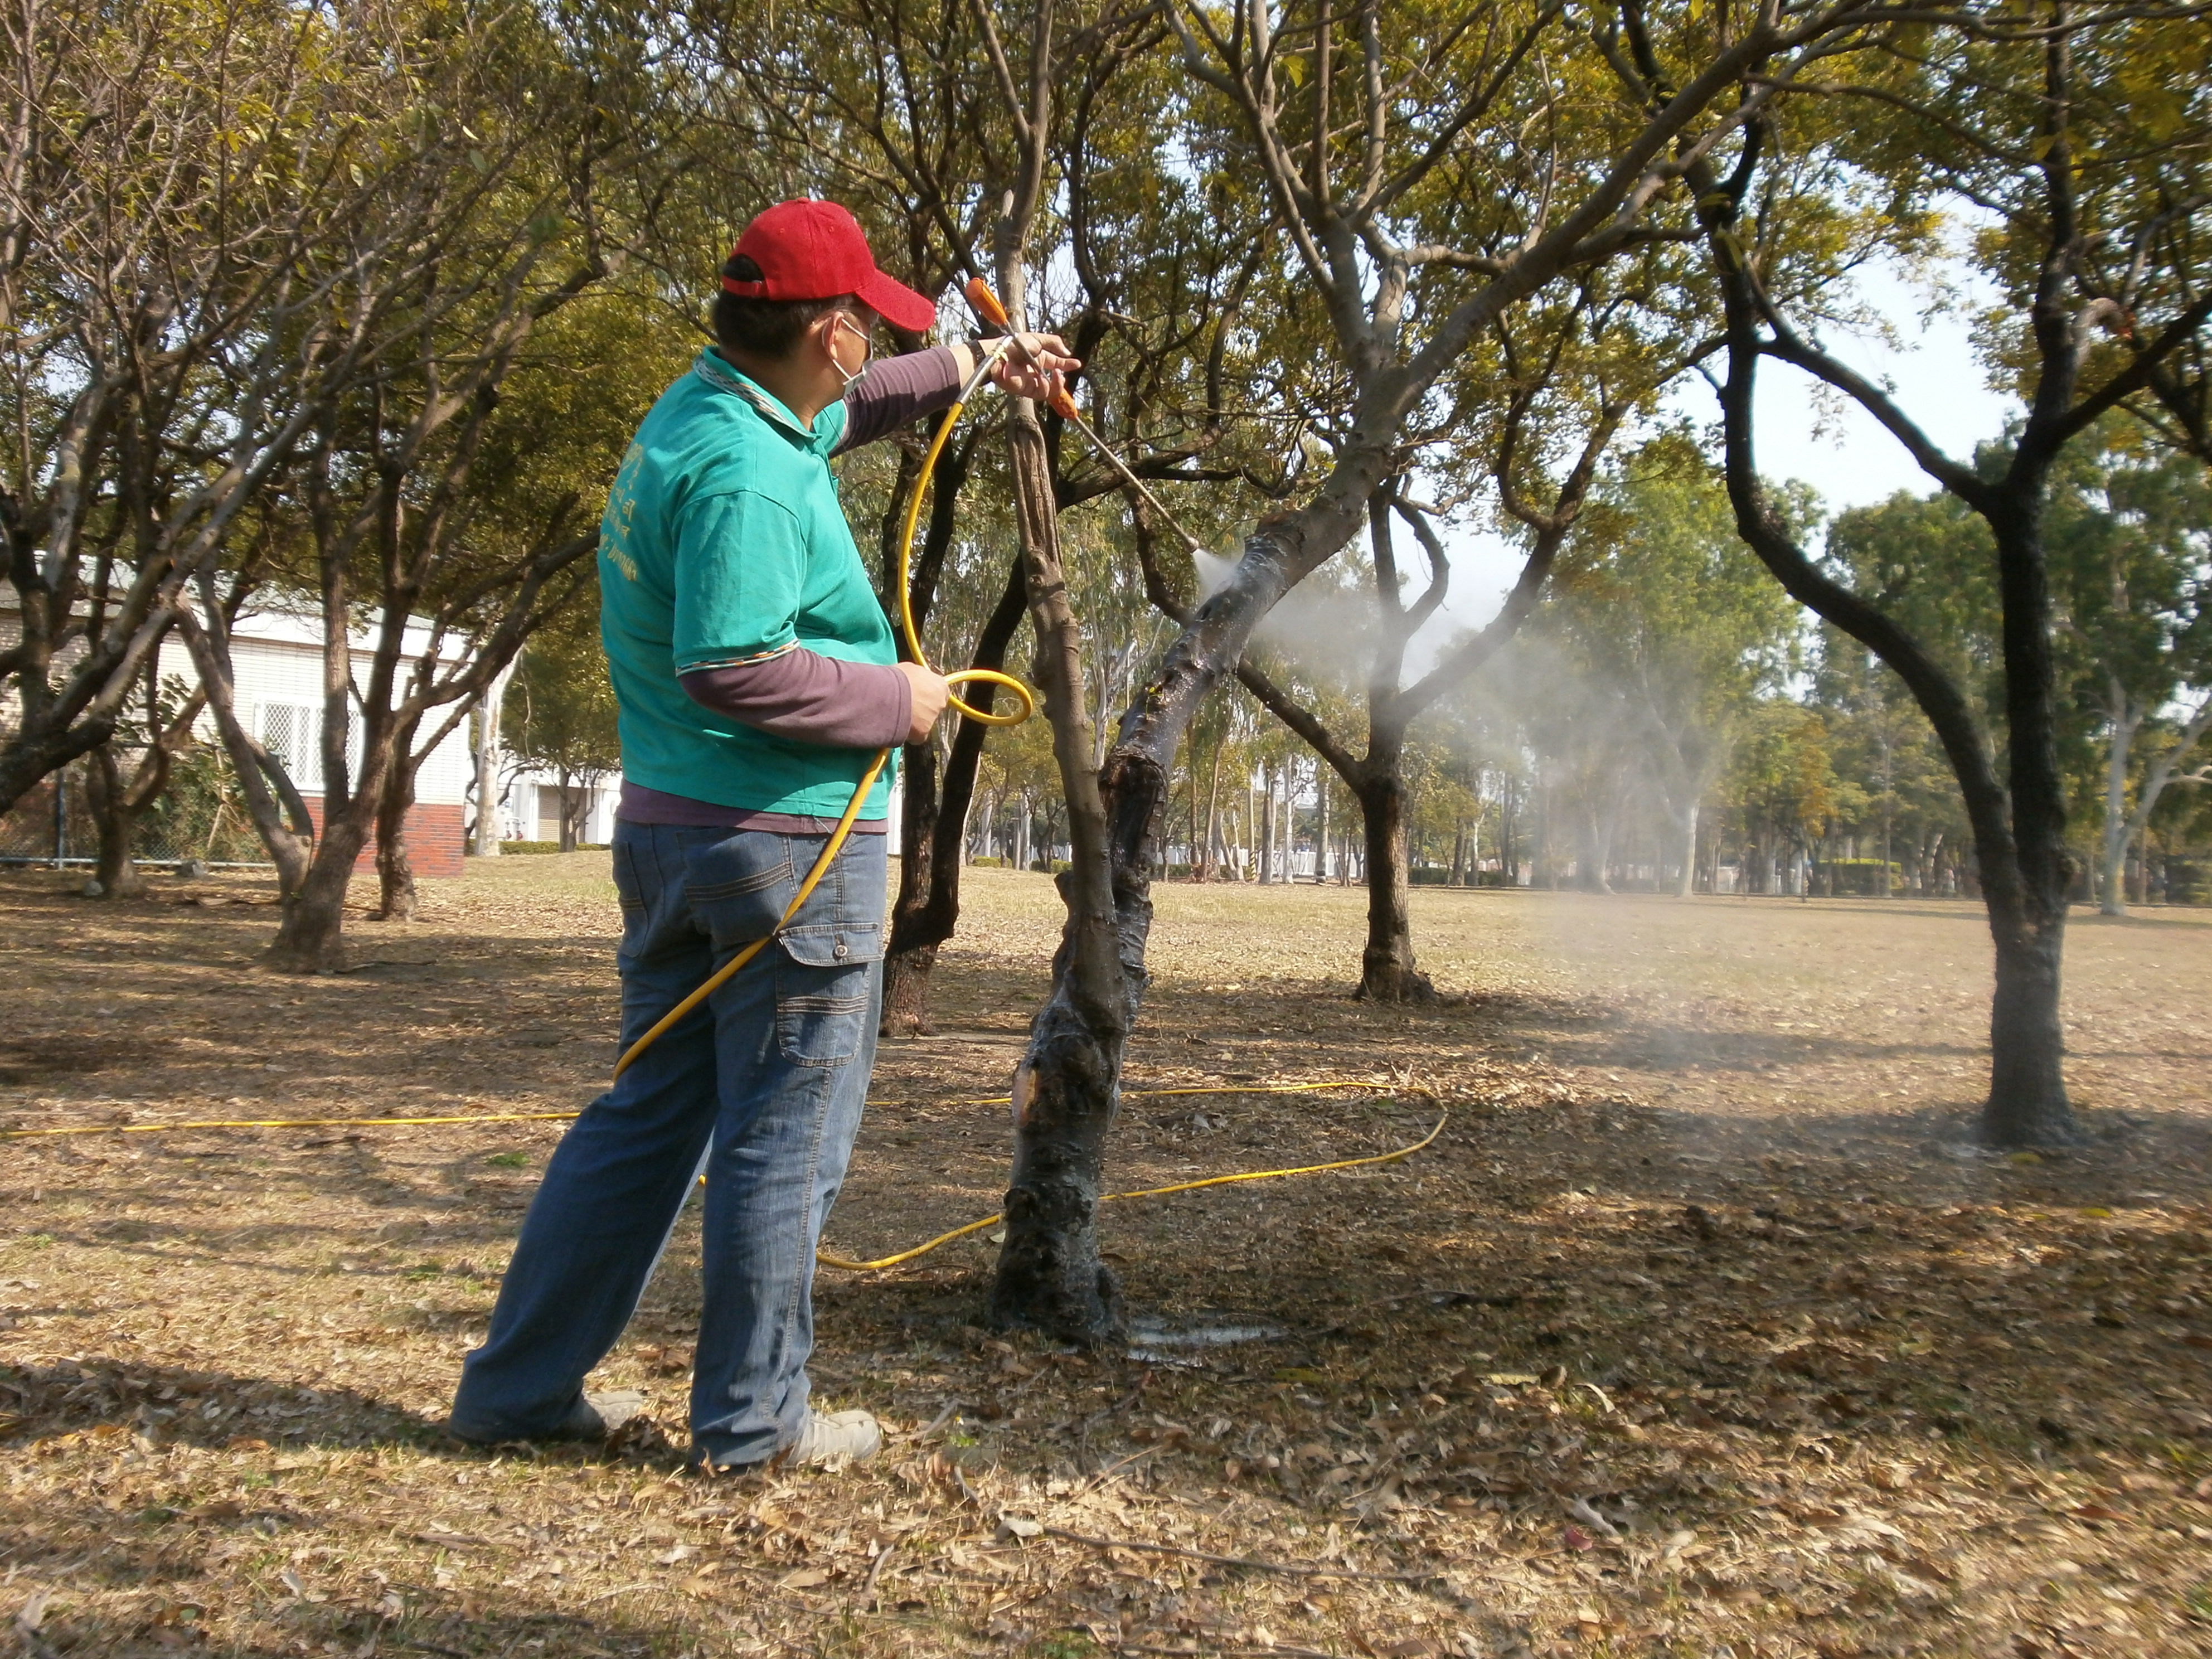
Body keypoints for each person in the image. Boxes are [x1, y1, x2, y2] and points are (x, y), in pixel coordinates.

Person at [448, 199, 1077, 1473]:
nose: (875, 347)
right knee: (788, 1133)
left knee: (647, 1120)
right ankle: (754, 1425)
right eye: (869, 329)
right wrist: (893, 699)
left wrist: (975, 361)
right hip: (781, 850)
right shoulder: (748, 472)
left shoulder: (715, 411)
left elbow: (852, 412)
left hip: (681, 841)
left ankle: (517, 1393)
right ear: (829, 331)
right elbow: (729, 660)